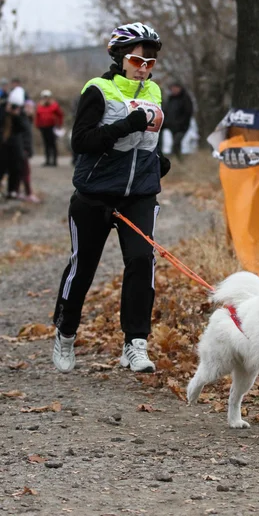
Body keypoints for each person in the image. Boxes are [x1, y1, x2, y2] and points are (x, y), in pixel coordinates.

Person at [52, 22, 171, 375]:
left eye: (150, 61)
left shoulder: (155, 92)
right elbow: (82, 142)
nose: (144, 67)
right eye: (137, 59)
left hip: (138, 195)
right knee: (83, 266)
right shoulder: (98, 89)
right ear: (119, 57)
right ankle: (66, 331)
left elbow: (147, 143)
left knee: (141, 261)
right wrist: (129, 124)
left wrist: (157, 164)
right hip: (95, 195)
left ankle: (135, 342)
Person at [0, 88, 29, 199]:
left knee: (15, 168)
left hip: (15, 145)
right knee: (1, 168)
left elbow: (23, 127)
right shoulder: (2, 109)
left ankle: (12, 190)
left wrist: (16, 115)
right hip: (3, 144)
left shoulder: (19, 112)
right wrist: (6, 111)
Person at [163, 82, 193, 160]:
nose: (174, 90)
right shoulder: (170, 99)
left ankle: (174, 159)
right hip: (171, 126)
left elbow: (188, 113)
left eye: (175, 88)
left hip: (182, 127)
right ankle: (178, 160)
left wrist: (181, 123)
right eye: (172, 88)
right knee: (176, 143)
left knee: (176, 143)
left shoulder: (185, 99)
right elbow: (166, 111)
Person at [35, 89, 64, 167]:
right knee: (46, 144)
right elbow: (37, 116)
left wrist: (59, 125)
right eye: (44, 97)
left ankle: (54, 161)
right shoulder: (40, 106)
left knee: (52, 144)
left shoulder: (54, 105)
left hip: (52, 127)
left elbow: (60, 115)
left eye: (47, 97)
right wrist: (37, 125)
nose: (46, 98)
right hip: (43, 127)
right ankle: (47, 160)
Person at [20, 100, 40, 203]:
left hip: (24, 150)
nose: (29, 109)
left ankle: (20, 191)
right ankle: (28, 193)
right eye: (27, 107)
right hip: (21, 150)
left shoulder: (28, 119)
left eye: (31, 107)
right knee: (25, 172)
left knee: (23, 172)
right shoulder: (21, 119)